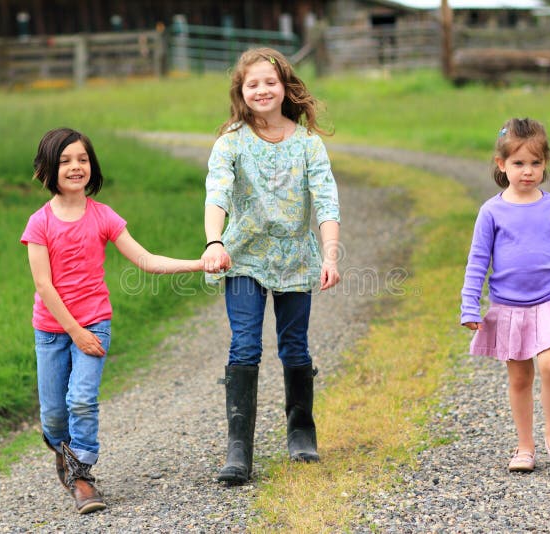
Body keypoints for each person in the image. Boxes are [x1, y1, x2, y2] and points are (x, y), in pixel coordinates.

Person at [21, 127, 210, 513]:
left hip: (94, 322)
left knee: (83, 400)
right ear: (46, 171)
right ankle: (63, 448)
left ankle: (81, 475)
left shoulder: (103, 216)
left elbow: (147, 259)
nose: (76, 167)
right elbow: (44, 285)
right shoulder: (39, 223)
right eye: (65, 161)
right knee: (55, 415)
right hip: (53, 330)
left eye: (83, 159)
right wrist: (74, 332)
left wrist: (200, 262)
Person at [201, 47, 341, 485]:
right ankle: (239, 449)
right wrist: (214, 241)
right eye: (252, 84)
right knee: (244, 346)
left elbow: (326, 199)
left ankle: (302, 431)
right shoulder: (231, 143)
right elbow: (217, 193)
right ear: (241, 93)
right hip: (243, 258)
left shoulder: (307, 144)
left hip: (296, 259)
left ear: (285, 88)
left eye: (270, 82)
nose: (262, 90)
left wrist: (330, 253)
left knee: (294, 347)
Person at [460, 118, 550, 472]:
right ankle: (524, 447)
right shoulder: (491, 211)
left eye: (535, 163)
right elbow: (477, 262)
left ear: (545, 163)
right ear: (502, 165)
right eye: (519, 163)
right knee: (519, 377)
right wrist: (470, 304)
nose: (528, 171)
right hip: (509, 307)